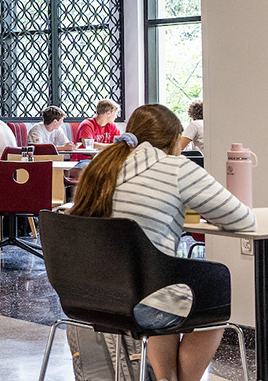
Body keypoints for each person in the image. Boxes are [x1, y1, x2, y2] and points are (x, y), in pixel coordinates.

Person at [69, 104, 255, 381]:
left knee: (166, 286)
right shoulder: (175, 167)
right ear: (173, 139)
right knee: (211, 291)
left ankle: (165, 376)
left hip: (87, 297)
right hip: (142, 301)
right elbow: (243, 219)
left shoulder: (99, 167)